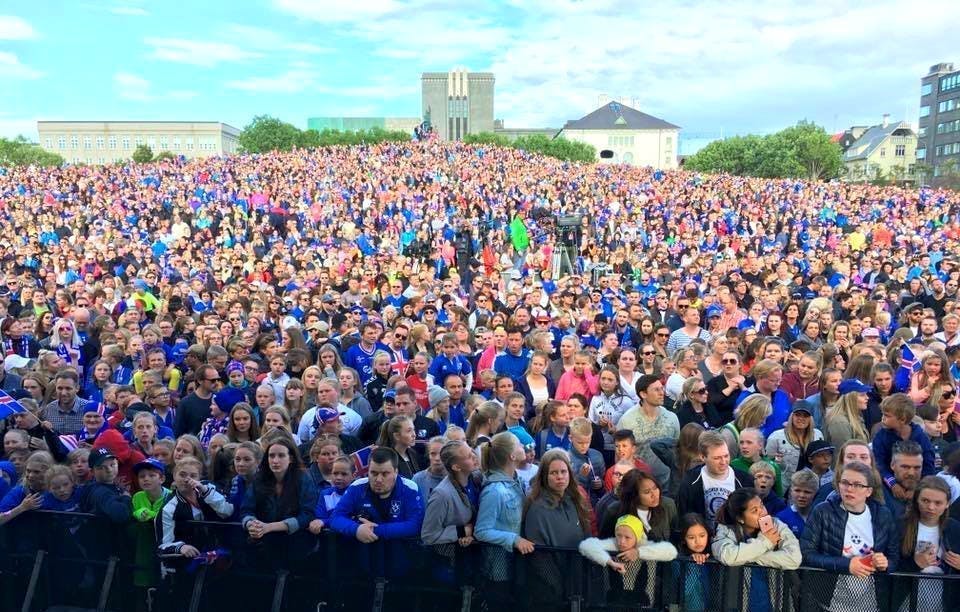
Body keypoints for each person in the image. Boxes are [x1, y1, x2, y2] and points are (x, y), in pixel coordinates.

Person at [800, 461, 899, 611]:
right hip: (829, 599)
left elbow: (894, 557)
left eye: (858, 485)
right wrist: (846, 565)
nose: (849, 489)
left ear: (869, 491)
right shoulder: (823, 511)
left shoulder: (883, 515)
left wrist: (885, 564)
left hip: (871, 599)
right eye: (845, 483)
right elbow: (806, 553)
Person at [329, 446, 424, 576]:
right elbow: (336, 517)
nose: (378, 479)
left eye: (385, 474)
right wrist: (356, 529)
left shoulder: (410, 488)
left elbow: (415, 524)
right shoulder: (357, 487)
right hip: (363, 561)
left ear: (396, 471)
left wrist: (375, 531)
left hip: (401, 561)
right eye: (373, 473)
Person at [521, 448, 593, 610]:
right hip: (551, 593)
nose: (560, 477)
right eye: (554, 473)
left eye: (563, 471)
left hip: (576, 583)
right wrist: (559, 589)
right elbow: (539, 556)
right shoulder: (537, 507)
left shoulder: (575, 500)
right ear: (545, 476)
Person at [712, 487, 801, 612]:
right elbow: (727, 556)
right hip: (739, 604)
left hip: (774, 602)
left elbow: (794, 558)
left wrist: (748, 556)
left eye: (762, 505)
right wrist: (765, 542)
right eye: (754, 510)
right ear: (740, 518)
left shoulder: (775, 524)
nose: (762, 512)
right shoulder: (726, 529)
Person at [240, 436, 318, 569]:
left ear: (291, 458)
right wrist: (251, 524)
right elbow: (246, 509)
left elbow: (307, 514)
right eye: (271, 456)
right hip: (263, 543)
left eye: (281, 455)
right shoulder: (259, 479)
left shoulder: (304, 478)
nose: (275, 460)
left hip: (296, 542)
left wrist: (270, 527)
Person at [475, 431, 535, 586]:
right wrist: (514, 539)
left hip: (517, 564)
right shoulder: (494, 491)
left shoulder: (516, 481)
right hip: (499, 569)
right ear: (512, 456)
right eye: (519, 445)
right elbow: (481, 531)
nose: (523, 446)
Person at [579, 514, 678, 606]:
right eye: (618, 535)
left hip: (643, 605)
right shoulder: (613, 544)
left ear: (637, 537)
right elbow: (585, 545)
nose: (621, 541)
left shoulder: (645, 545)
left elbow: (671, 551)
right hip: (614, 604)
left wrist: (638, 553)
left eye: (627, 537)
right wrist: (609, 561)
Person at [895, 476, 960, 611]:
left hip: (945, 601)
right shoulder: (901, 526)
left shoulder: (955, 528)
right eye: (925, 501)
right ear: (917, 500)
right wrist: (914, 564)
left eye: (938, 503)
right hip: (907, 599)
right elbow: (889, 566)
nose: (931, 507)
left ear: (947, 503)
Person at [676, 431, 753, 530]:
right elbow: (684, 518)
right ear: (702, 457)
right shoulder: (690, 482)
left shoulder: (744, 480)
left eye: (726, 456)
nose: (724, 462)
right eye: (717, 458)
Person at [872, 393, 937, 498]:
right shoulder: (881, 437)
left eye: (887, 416)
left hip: (917, 484)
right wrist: (892, 484)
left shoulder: (921, 437)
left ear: (902, 419)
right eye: (883, 414)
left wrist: (917, 488)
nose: (882, 418)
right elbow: (879, 464)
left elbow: (929, 466)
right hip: (889, 486)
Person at [420, 439, 480, 545]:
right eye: (469, 456)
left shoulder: (477, 478)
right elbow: (428, 536)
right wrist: (462, 531)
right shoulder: (441, 494)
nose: (475, 457)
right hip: (450, 557)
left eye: (472, 452)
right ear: (456, 467)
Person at [765, 400, 823, 492]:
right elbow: (767, 463)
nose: (801, 418)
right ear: (791, 416)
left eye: (805, 416)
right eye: (798, 414)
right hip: (783, 486)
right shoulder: (776, 437)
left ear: (811, 419)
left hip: (810, 486)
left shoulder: (818, 435)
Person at [881, 440, 925, 520]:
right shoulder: (878, 492)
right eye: (905, 467)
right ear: (892, 465)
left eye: (917, 468)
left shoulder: (930, 493)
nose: (911, 473)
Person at [775, 469, 821, 538]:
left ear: (816, 493)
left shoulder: (821, 517)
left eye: (807, 492)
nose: (802, 495)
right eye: (797, 490)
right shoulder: (781, 518)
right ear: (791, 491)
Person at [412, 436, 447, 500]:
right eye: (433, 454)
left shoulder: (455, 479)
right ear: (428, 455)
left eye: (441, 453)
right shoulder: (418, 479)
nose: (437, 458)